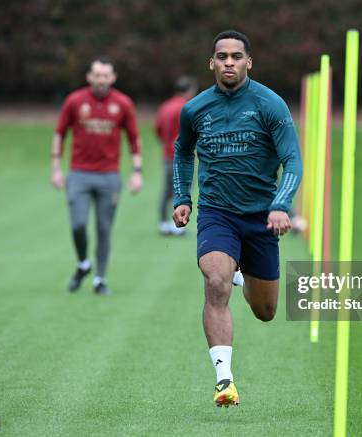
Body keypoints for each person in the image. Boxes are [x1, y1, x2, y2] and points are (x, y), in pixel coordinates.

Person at [172, 30, 302, 407]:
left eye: (236, 56)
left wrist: (280, 204)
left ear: (249, 62)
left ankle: (243, 271)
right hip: (217, 213)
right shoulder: (195, 109)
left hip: (261, 217)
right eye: (222, 56)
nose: (229, 62)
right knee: (215, 282)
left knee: (265, 311)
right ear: (212, 62)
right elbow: (182, 152)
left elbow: (291, 158)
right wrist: (183, 197)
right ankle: (223, 380)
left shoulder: (269, 104)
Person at [50, 56, 143, 295]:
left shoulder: (123, 103)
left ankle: (99, 279)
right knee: (79, 224)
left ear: (112, 78)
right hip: (79, 175)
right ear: (89, 77)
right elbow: (59, 133)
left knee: (104, 229)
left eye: (105, 75)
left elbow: (134, 138)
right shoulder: (74, 101)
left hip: (109, 177)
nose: (101, 80)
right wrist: (56, 167)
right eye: (97, 75)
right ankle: (83, 263)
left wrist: (137, 171)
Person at [155, 76, 198, 235]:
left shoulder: (164, 106)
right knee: (182, 190)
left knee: (167, 191)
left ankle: (163, 223)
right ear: (189, 90)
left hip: (167, 154)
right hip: (182, 157)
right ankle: (177, 225)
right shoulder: (188, 107)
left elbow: (158, 130)